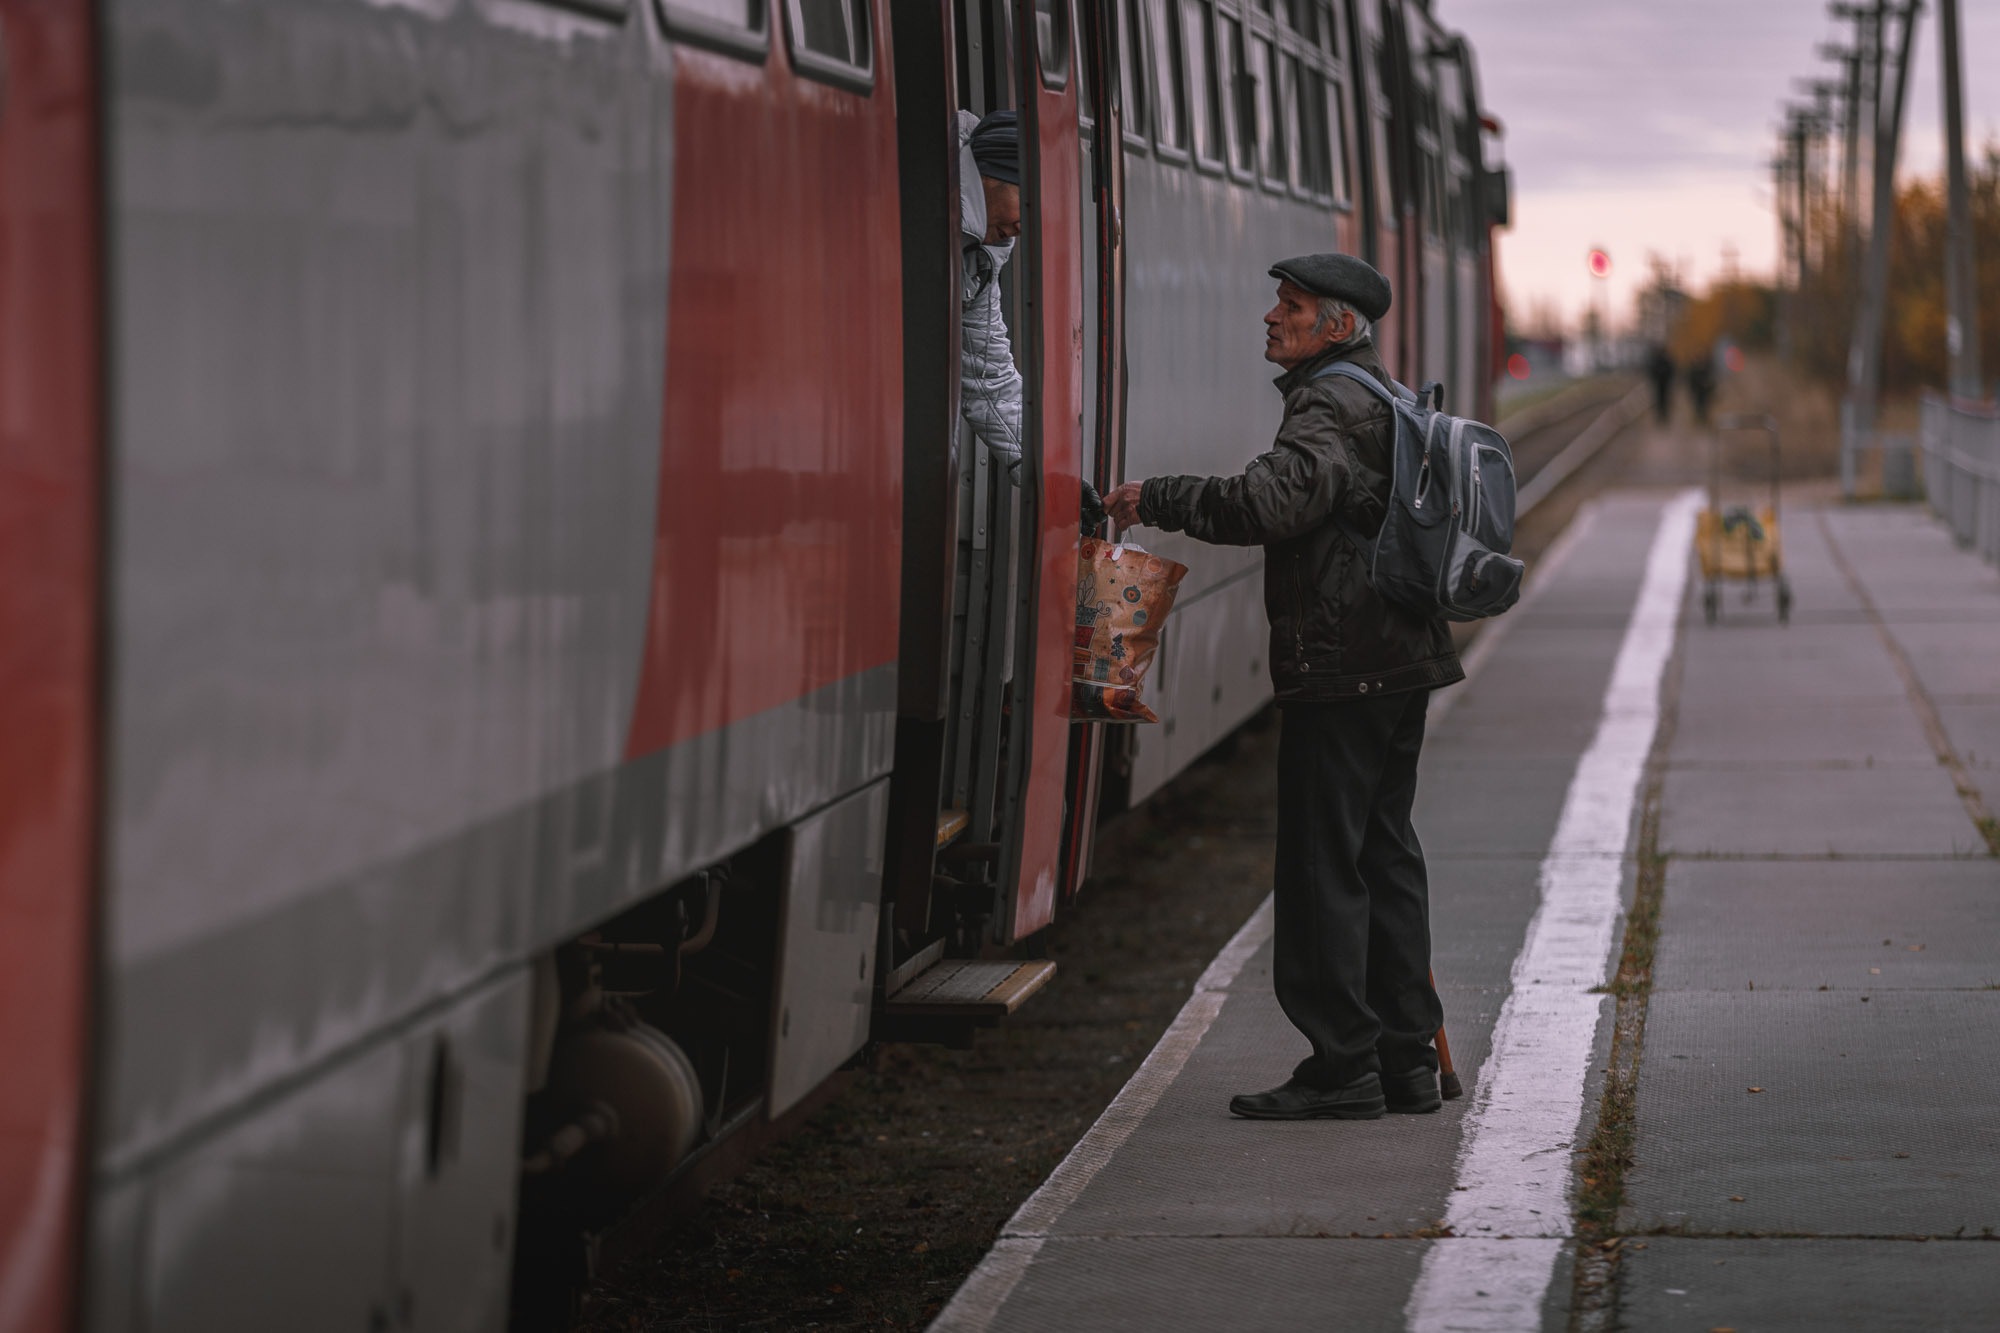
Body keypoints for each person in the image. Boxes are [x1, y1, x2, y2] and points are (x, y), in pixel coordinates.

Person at [1103, 255, 1462, 1119]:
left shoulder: (1328, 401)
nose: (1272, 317)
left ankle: (1344, 1065)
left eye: (1291, 306)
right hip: (1398, 658)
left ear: (1335, 325)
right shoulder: (1381, 391)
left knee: (1321, 865)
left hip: (1344, 664)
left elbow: (1271, 503)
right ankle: (1407, 1060)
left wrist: (1158, 497)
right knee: (1383, 855)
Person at [957, 109, 1103, 527]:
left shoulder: (978, 259)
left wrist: (1051, 473)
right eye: (1026, 204)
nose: (1023, 226)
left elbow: (987, 376)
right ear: (991, 175)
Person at [1685, 349, 1715, 426]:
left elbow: (1710, 379)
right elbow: (1691, 381)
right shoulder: (1693, 369)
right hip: (1697, 390)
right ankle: (1698, 418)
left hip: (1704, 391)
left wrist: (1708, 386)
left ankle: (1703, 418)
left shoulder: (1707, 368)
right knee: (1697, 405)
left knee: (1705, 405)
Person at [1647, 343, 1675, 424]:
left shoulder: (1664, 361)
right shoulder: (1657, 361)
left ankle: (1663, 416)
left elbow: (1671, 371)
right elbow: (1652, 372)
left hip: (1665, 384)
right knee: (1660, 400)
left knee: (1664, 400)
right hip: (1659, 384)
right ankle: (1661, 416)